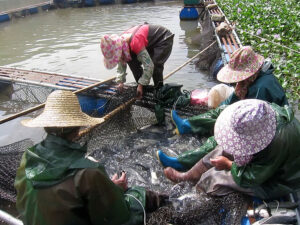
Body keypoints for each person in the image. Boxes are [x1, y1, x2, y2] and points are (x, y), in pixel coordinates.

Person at [14, 90, 167, 225]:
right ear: (78, 127)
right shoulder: (88, 172)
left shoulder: (27, 158)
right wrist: (117, 191)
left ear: (46, 126)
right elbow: (117, 218)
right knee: (138, 196)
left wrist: (108, 187)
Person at [157, 46, 289, 171]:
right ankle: (187, 125)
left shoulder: (262, 88)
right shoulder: (251, 80)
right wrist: (222, 113)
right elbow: (229, 104)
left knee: (220, 141)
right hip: (256, 119)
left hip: (270, 134)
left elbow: (253, 125)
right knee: (222, 111)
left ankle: (181, 163)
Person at [165, 99, 300, 199]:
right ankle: (187, 177)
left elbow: (252, 178)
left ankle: (194, 197)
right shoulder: (265, 112)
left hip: (276, 181)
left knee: (215, 177)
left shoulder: (278, 143)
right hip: (267, 164)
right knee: (223, 149)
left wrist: (229, 164)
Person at [100, 24, 174, 99]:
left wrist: (140, 85)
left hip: (163, 38)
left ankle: (159, 91)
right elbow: (121, 62)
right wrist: (120, 82)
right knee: (131, 61)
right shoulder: (120, 44)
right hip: (147, 42)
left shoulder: (135, 42)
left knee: (155, 65)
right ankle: (143, 89)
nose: (119, 56)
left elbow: (149, 66)